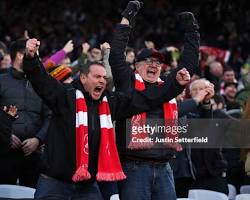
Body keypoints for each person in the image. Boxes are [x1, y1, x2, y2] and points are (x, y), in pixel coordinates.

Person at [23, 38, 190, 200]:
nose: (102, 81)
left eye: (104, 78)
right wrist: (31, 57)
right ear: (83, 78)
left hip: (87, 185)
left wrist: (176, 85)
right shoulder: (65, 96)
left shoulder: (111, 102)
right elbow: (42, 81)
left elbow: (146, 99)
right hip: (55, 183)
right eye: (97, 77)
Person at [109, 1, 200, 199]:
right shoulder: (128, 82)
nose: (154, 65)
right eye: (149, 61)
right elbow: (116, 55)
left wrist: (191, 30)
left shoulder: (167, 85)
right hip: (134, 168)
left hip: (165, 168)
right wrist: (127, 18)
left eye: (158, 62)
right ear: (136, 66)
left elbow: (189, 65)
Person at [0, 39, 50, 187]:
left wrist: (38, 139)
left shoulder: (43, 83)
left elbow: (51, 115)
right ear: (21, 56)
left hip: (35, 155)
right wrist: (5, 134)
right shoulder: (1, 81)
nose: (37, 60)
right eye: (34, 55)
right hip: (4, 154)